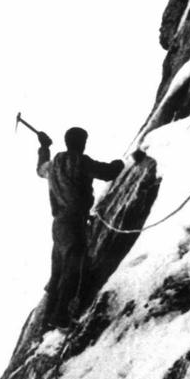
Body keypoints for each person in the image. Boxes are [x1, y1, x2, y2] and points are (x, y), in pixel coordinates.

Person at [36, 126, 124, 330]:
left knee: (58, 271)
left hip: (58, 225)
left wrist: (44, 147)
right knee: (72, 270)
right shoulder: (81, 161)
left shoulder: (54, 164)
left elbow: (40, 169)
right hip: (74, 224)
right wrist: (120, 163)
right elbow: (108, 173)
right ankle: (61, 317)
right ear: (81, 143)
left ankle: (48, 319)